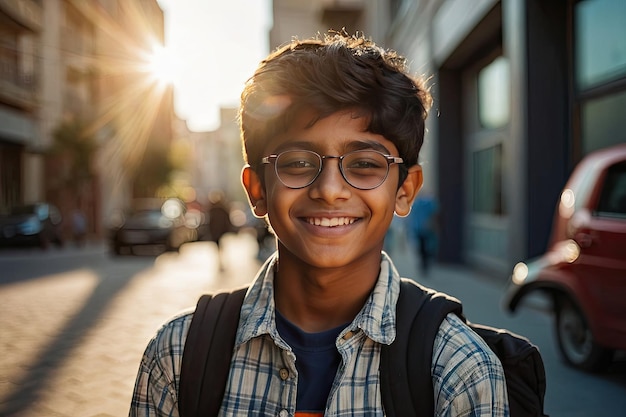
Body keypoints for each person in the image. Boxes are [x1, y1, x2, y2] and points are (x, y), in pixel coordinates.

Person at [129, 32, 509, 416]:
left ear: (405, 190)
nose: (329, 191)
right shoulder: (178, 357)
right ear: (257, 188)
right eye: (297, 163)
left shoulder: (457, 370)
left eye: (364, 164)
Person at [409, 192, 439, 275]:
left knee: (422, 246)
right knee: (427, 246)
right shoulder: (429, 203)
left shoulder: (416, 203)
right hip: (425, 228)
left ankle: (423, 263)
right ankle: (425, 262)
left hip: (418, 228)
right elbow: (434, 214)